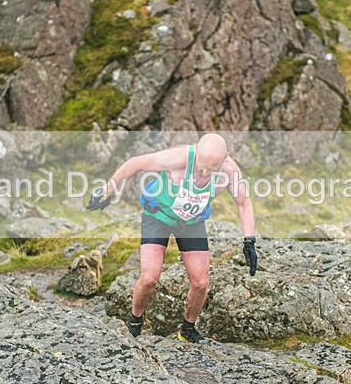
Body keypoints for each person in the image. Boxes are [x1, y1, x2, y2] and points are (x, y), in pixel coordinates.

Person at [86, 133, 257, 343]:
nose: (204, 173)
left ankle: (187, 329)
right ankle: (135, 322)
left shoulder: (230, 171)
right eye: (201, 166)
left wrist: (249, 240)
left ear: (225, 158)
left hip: (191, 223)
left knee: (201, 283)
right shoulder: (178, 158)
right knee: (149, 278)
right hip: (158, 217)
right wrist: (107, 192)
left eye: (211, 169)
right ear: (197, 151)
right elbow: (135, 163)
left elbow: (243, 203)